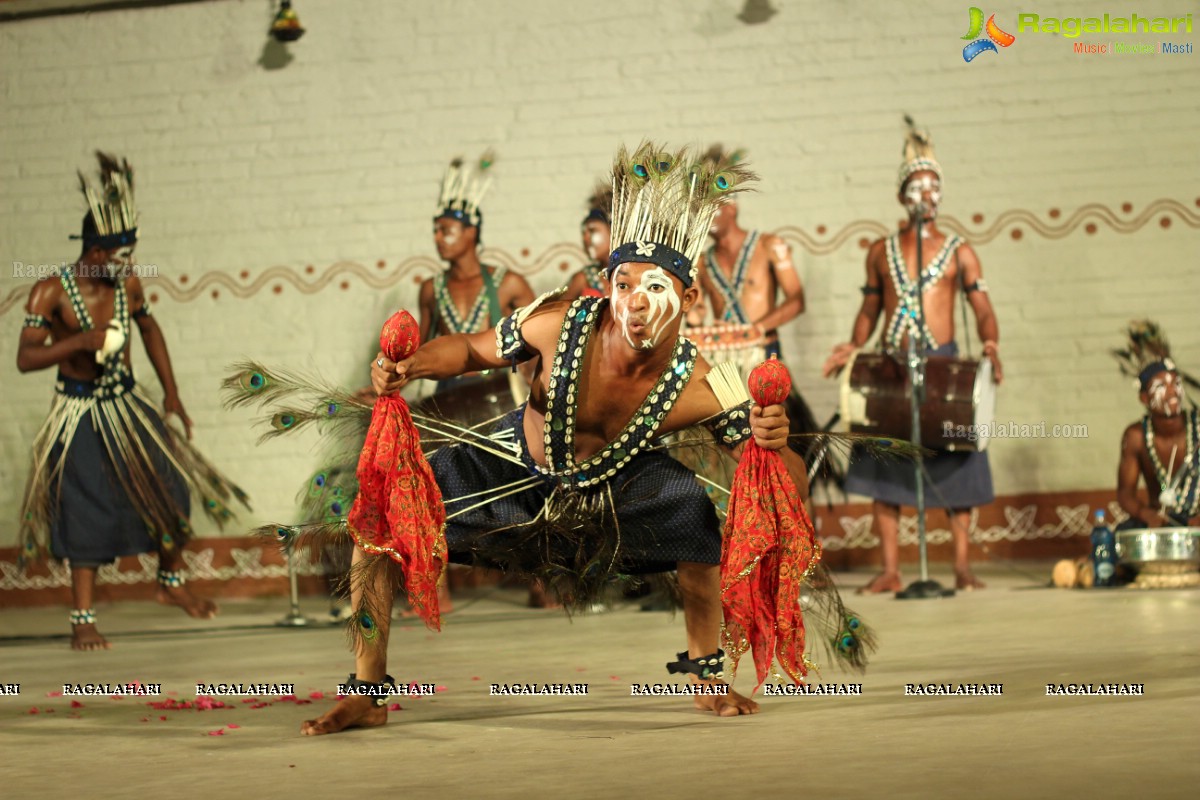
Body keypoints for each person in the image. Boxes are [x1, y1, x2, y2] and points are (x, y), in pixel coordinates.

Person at [296, 143, 814, 734]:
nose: (635, 303)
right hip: (514, 465)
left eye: (655, 287)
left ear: (689, 298)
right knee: (380, 522)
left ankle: (706, 680)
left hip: (623, 488)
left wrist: (775, 446)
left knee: (696, 522)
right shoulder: (559, 319)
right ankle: (367, 692)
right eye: (623, 285)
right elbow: (470, 349)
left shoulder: (711, 381)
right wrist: (410, 364)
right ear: (608, 286)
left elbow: (784, 487)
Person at [16, 152, 247, 650]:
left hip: (127, 405)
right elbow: (25, 358)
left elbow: (149, 328)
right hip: (77, 412)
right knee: (85, 507)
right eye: (121, 255)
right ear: (96, 251)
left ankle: (170, 583)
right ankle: (82, 617)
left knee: (171, 490)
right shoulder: (49, 291)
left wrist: (172, 393)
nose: (130, 264)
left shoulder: (128, 284)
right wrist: (79, 343)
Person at [822, 119, 1002, 593]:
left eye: (934, 186)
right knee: (887, 466)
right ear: (902, 195)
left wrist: (990, 346)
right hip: (890, 368)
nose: (928, 195)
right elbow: (869, 309)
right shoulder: (880, 252)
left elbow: (982, 308)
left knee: (957, 460)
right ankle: (892, 569)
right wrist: (853, 344)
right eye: (918, 187)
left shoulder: (960, 252)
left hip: (942, 365)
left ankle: (961, 567)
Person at [1114, 322, 1200, 530]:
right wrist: (1148, 515)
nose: (1172, 392)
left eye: (1176, 383)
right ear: (1144, 397)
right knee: (1121, 536)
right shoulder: (1136, 436)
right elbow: (1125, 494)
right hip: (1161, 521)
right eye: (1161, 386)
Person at [563, 183, 612, 300]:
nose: (585, 239)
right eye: (583, 233)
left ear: (613, 231)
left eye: (592, 231)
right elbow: (557, 316)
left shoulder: (634, 272)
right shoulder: (583, 278)